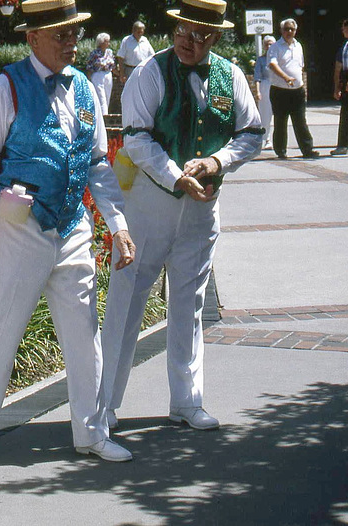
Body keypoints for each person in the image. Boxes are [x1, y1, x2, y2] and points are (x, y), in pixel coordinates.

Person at [0, 0, 136, 464]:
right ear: (32, 38)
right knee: (2, 321)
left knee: (83, 327)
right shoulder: (6, 86)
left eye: (73, 33)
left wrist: (118, 224)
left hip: (72, 223)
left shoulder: (86, 88)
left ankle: (91, 432)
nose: (70, 42)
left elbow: (96, 162)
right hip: (17, 224)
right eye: (60, 34)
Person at [102, 0, 262, 432]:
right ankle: (104, 404)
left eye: (201, 35)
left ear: (216, 36)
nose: (189, 42)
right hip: (150, 208)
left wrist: (216, 161)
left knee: (189, 304)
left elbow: (252, 134)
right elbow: (135, 138)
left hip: (201, 213)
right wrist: (176, 177)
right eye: (183, 33)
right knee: (128, 300)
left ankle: (187, 402)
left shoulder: (230, 76)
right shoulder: (149, 72)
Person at [267, 18, 319, 159]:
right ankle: (281, 151)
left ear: (295, 31)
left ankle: (308, 150)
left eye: (292, 29)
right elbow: (272, 64)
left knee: (300, 121)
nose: (289, 32)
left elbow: (300, 66)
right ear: (281, 31)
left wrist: (300, 84)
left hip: (297, 91)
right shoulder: (275, 47)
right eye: (286, 29)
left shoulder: (298, 46)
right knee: (280, 122)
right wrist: (286, 77)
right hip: (279, 90)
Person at [254, 35, 276, 149]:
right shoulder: (261, 60)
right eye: (267, 44)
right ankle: (266, 139)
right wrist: (258, 92)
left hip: (277, 86)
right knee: (265, 115)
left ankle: (276, 140)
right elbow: (257, 77)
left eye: (271, 43)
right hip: (265, 87)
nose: (269, 46)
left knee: (277, 115)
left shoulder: (278, 58)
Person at [331, 19, 348, 156]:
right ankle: (343, 145)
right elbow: (338, 67)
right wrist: (337, 87)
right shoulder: (344, 46)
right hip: (345, 80)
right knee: (345, 115)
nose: (342, 31)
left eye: (344, 28)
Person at [86, 32, 115, 115]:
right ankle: (103, 117)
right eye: (107, 41)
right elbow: (89, 67)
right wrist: (89, 79)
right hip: (98, 75)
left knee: (107, 97)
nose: (109, 43)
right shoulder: (94, 53)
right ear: (101, 42)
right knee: (101, 98)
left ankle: (105, 116)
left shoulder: (109, 52)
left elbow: (113, 66)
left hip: (108, 75)